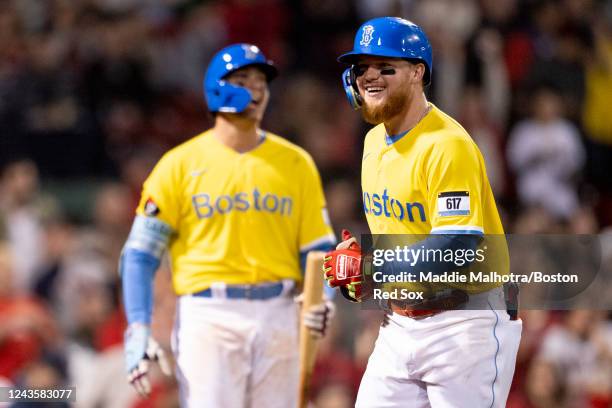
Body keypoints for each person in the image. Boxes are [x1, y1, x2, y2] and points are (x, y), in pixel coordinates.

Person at [120, 43, 336, 407]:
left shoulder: (295, 163)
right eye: (243, 78)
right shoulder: (179, 165)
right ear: (216, 86)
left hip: (279, 312)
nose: (256, 89)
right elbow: (139, 254)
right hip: (208, 316)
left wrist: (324, 299)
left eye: (261, 81)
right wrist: (139, 325)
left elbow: (319, 249)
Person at [324, 17, 522, 407]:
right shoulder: (371, 143)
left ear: (417, 73)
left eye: (386, 67)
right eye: (361, 67)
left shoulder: (447, 144)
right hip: (401, 325)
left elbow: (457, 246)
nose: (369, 76)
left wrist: (372, 267)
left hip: (465, 325)